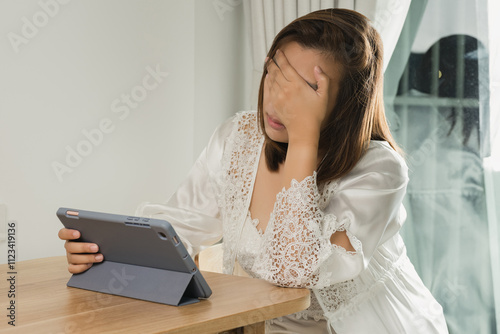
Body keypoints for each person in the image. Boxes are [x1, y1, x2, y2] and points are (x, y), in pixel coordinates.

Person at [59, 8, 449, 333]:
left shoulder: (379, 170)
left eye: (305, 91)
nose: (279, 100)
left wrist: (303, 139)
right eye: (276, 76)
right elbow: (180, 225)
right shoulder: (238, 136)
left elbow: (293, 270)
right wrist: (105, 255)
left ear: (345, 104)